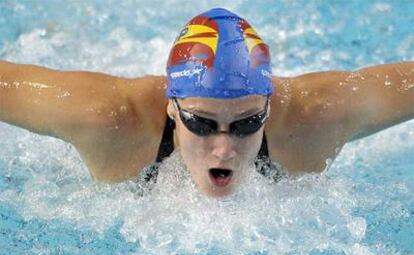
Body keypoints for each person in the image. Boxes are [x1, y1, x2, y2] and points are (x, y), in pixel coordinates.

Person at [0, 8, 413, 198]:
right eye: (200, 123)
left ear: (269, 108)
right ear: (170, 107)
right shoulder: (108, 119)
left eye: (247, 123)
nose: (224, 149)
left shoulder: (314, 119)